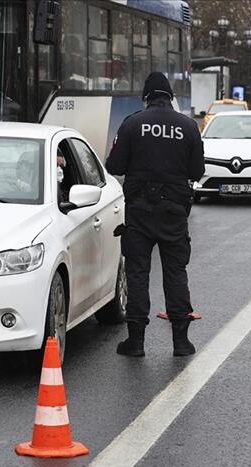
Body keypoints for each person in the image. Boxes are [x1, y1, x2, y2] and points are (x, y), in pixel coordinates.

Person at [106, 72, 205, 357]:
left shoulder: (132, 123)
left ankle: (136, 342)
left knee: (138, 274)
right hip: (174, 212)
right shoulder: (188, 126)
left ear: (146, 98)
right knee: (176, 273)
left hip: (139, 212)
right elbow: (197, 171)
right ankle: (181, 342)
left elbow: (115, 165)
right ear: (170, 97)